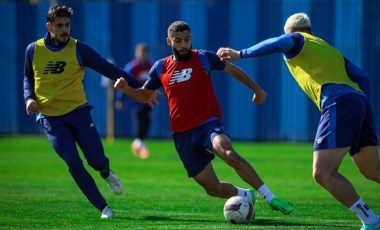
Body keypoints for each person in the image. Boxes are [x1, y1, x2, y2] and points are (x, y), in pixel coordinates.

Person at [217, 13, 380, 230]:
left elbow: (279, 43)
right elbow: (363, 77)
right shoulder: (330, 50)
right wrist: (364, 106)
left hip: (338, 102)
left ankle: (371, 221)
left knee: (323, 173)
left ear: (292, 31)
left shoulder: (297, 39)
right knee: (372, 171)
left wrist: (240, 53)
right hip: (360, 101)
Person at [114, 20, 294, 215]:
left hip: (208, 124)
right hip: (182, 134)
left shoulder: (203, 58)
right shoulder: (160, 68)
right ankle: (246, 195)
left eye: (187, 39)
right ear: (169, 42)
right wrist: (126, 90)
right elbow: (143, 94)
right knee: (213, 188)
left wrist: (257, 89)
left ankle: (270, 197)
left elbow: (232, 69)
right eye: (178, 41)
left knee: (229, 154)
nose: (184, 45)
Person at [23, 5, 157, 219]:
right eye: (59, 26)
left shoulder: (79, 49)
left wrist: (145, 90)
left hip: (78, 112)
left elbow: (111, 70)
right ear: (49, 26)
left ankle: (106, 172)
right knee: (73, 161)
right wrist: (29, 98)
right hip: (50, 118)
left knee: (96, 160)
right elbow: (28, 78)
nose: (65, 29)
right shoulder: (33, 50)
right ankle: (104, 208)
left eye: (67, 25)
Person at [115, 43, 153, 159]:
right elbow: (123, 83)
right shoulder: (132, 67)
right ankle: (140, 145)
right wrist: (120, 99)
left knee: (147, 122)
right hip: (136, 100)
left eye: (144, 52)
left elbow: (156, 81)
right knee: (141, 121)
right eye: (140, 52)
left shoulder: (151, 66)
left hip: (148, 99)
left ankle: (139, 143)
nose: (142, 54)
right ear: (136, 53)